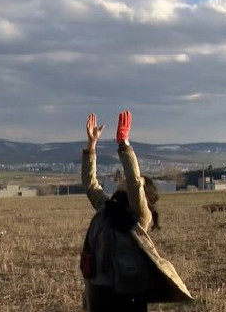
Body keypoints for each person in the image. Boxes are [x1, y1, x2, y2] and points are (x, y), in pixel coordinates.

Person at [80, 111, 193, 312]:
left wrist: (123, 143)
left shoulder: (140, 216)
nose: (128, 181)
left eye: (138, 184)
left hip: (128, 296)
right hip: (99, 292)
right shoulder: (108, 208)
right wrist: (92, 145)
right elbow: (90, 184)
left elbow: (133, 180)